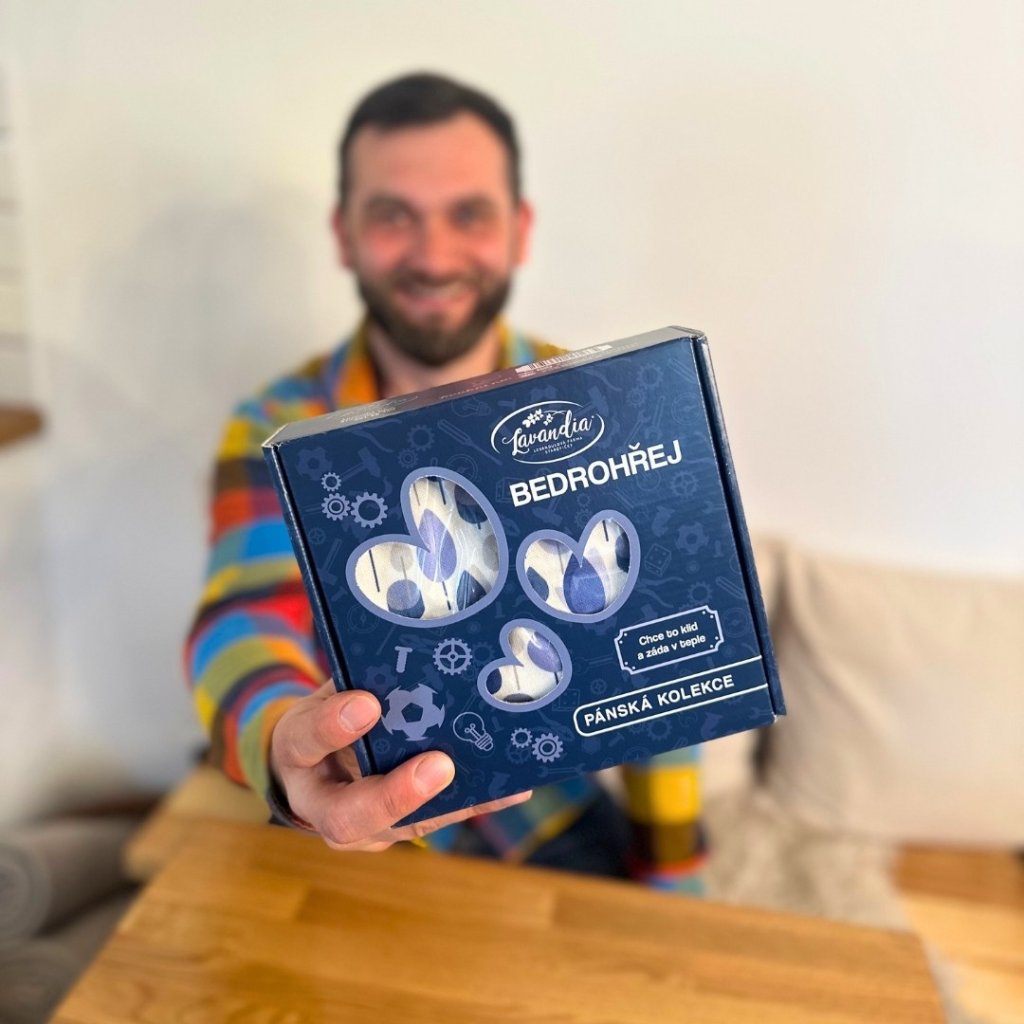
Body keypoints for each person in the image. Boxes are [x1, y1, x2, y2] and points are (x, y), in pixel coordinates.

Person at [185, 72, 704, 889]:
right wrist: (286, 742)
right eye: (393, 216)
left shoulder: (601, 405)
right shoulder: (275, 426)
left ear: (520, 231)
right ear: (345, 235)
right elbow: (243, 617)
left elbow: (664, 659)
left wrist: (675, 876)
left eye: (469, 214)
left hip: (542, 820)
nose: (432, 256)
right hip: (336, 818)